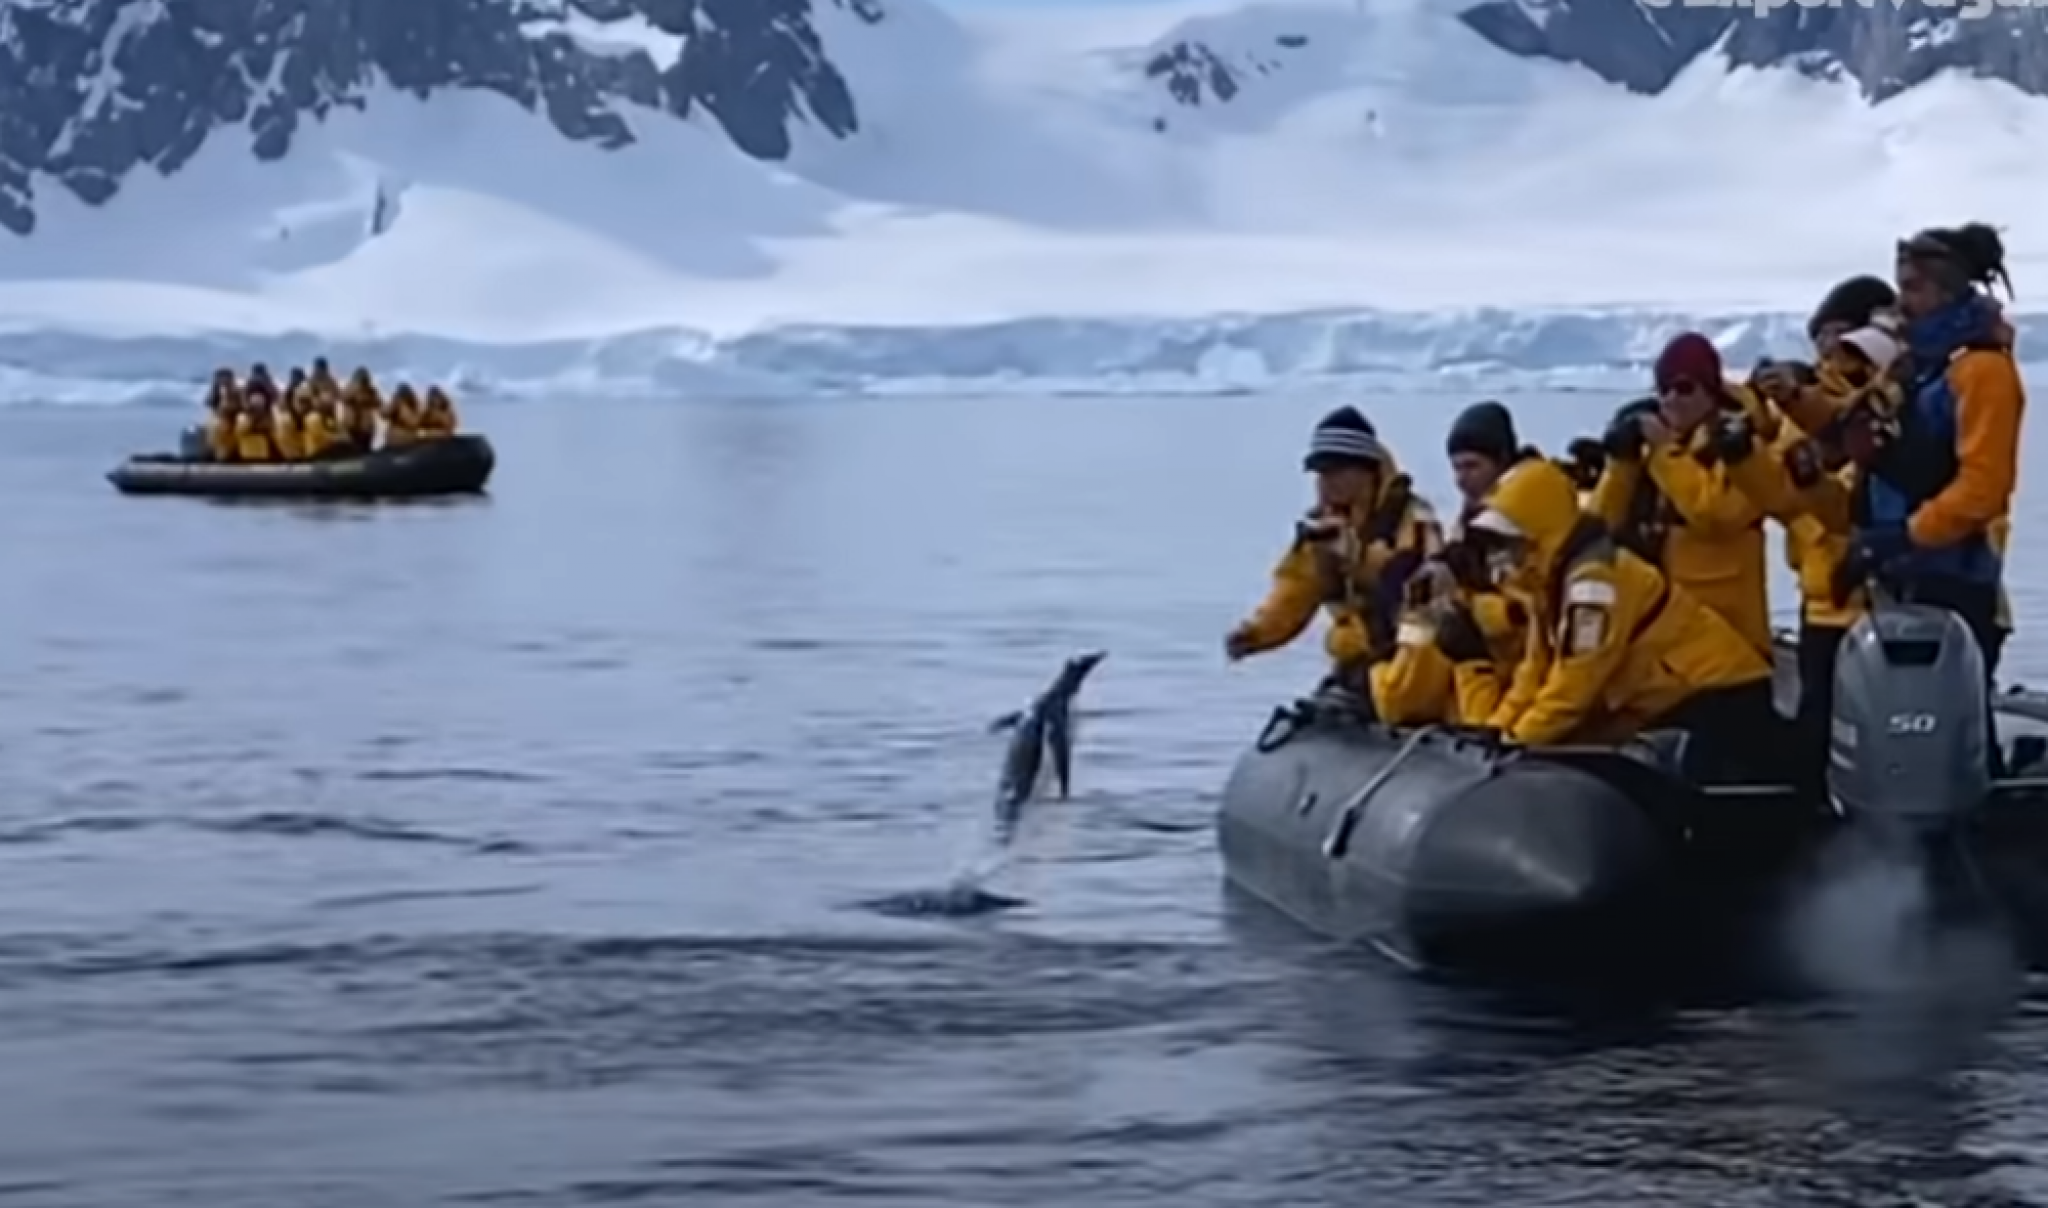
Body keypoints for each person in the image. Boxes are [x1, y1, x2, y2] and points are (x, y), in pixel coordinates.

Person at [1456, 457, 1779, 781]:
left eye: (1511, 540)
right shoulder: (1549, 587)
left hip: (1716, 700)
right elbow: (1534, 675)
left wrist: (1514, 747)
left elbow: (1572, 692)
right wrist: (1493, 735)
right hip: (1669, 704)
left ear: (1540, 530)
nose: (1504, 553)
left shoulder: (1593, 585)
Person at [1727, 277, 1903, 793]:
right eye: (1822, 336)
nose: (1828, 348)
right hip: (1826, 592)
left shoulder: (1894, 401)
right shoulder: (1804, 410)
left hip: (1888, 591)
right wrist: (1745, 458)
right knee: (1818, 722)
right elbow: (1790, 500)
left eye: (1838, 333)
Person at [1833, 222, 2024, 683]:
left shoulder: (1983, 371)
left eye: (1913, 288)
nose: (1903, 303)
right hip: (1904, 579)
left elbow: (1984, 486)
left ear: (1947, 289)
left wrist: (1905, 535)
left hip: (1954, 581)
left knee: (1952, 723)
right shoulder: (1918, 368)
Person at [1226, 406, 1443, 698]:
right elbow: (1296, 588)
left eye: (1335, 470)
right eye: (1320, 472)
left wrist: (1355, 557)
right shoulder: (1322, 527)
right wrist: (1256, 633)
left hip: (1410, 662)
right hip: (1356, 661)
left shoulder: (1413, 520)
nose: (1326, 481)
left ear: (1366, 470)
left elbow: (1417, 590)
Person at [1587, 333, 1773, 655]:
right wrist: (1621, 465)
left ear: (1711, 390)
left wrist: (1664, 453)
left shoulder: (1741, 447)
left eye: (1685, 388)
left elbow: (1716, 515)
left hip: (1729, 637)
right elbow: (1598, 529)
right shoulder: (1660, 451)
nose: (1672, 399)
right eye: (1664, 390)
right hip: (1665, 633)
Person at [1372, 401, 1532, 724]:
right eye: (1456, 468)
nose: (1461, 480)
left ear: (1502, 461)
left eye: (1472, 466)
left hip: (1513, 666)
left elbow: (1529, 607)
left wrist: (1475, 609)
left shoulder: (1528, 520)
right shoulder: (1472, 519)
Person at [340, 369, 383, 451]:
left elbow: (378, 403)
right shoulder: (350, 387)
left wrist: (367, 400)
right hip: (352, 426)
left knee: (365, 448)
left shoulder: (370, 390)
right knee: (352, 449)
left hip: (365, 427)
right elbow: (343, 398)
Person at [204, 369, 241, 462]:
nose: (224, 382)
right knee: (215, 425)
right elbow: (211, 404)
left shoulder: (238, 391)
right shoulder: (216, 393)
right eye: (221, 379)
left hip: (233, 424)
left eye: (227, 379)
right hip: (220, 423)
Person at [235, 390, 276, 462]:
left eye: (260, 406)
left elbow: (272, 431)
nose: (258, 408)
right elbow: (240, 431)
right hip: (248, 456)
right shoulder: (242, 418)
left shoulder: (267, 419)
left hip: (263, 455)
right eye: (256, 406)